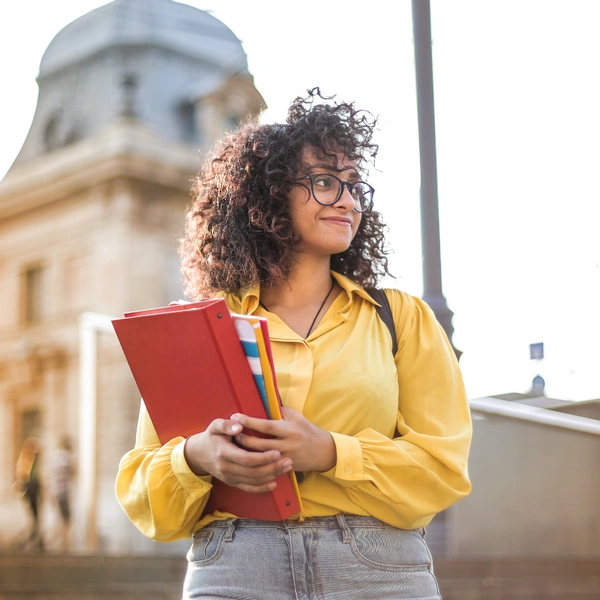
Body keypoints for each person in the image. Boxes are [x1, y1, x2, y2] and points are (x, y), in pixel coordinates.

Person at [116, 89, 472, 600]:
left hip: (378, 569)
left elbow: (443, 469)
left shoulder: (400, 318)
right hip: (235, 565)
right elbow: (144, 491)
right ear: (269, 195)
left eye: (354, 186)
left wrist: (329, 452)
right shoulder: (201, 330)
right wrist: (196, 457)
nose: (348, 200)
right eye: (325, 182)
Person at [15, 437, 44, 551]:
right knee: (34, 518)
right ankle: (32, 540)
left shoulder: (30, 462)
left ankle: (37, 540)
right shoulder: (27, 462)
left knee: (35, 518)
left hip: (31, 493)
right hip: (31, 492)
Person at [49, 435, 75, 552]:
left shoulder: (54, 457)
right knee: (66, 519)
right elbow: (73, 472)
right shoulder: (65, 457)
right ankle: (64, 544)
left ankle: (59, 543)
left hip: (54, 491)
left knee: (59, 518)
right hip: (63, 492)